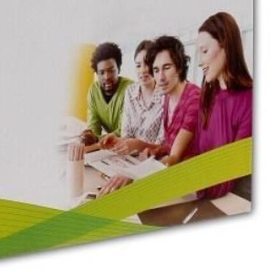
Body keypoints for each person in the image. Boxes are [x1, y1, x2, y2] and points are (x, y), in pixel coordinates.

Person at [99, 36, 199, 196]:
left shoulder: (194, 98)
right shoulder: (168, 97)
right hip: (172, 178)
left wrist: (134, 173)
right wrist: (146, 150)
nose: (161, 77)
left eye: (167, 68)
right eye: (156, 70)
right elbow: (167, 146)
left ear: (179, 67)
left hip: (193, 184)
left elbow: (174, 157)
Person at [195, 12, 253, 199]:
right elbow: (199, 155)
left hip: (235, 200)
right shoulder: (207, 98)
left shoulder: (250, 100)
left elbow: (233, 170)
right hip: (204, 193)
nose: (200, 62)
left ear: (225, 45)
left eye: (204, 51)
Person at [102, 40, 164, 155]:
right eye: (138, 65)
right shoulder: (130, 92)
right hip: (130, 157)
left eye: (147, 64)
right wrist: (118, 141)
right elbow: (126, 134)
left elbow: (162, 145)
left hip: (152, 159)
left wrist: (138, 146)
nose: (142, 70)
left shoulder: (165, 96)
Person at [80, 42, 133, 148]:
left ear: (119, 69)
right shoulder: (93, 91)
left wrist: (96, 139)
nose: (106, 77)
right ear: (96, 73)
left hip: (131, 146)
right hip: (111, 148)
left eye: (111, 71)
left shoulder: (130, 89)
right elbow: (93, 127)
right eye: (102, 72)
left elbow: (124, 131)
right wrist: (90, 136)